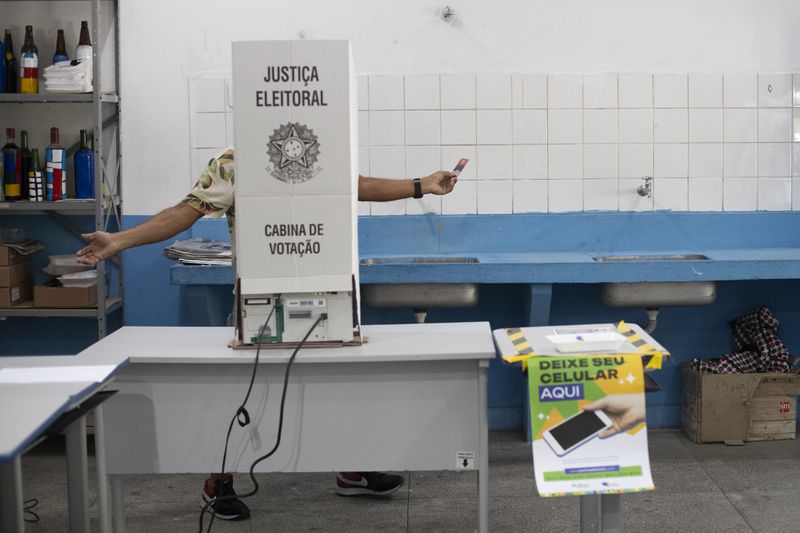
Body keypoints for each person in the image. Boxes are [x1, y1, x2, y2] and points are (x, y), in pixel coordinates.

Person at [77, 148, 458, 521]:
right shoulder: (232, 164)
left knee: (340, 385)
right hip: (256, 302)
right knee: (239, 394)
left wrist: (421, 185)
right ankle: (218, 482)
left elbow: (357, 186)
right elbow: (184, 212)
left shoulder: (320, 153)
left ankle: (353, 470)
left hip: (324, 295)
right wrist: (119, 240)